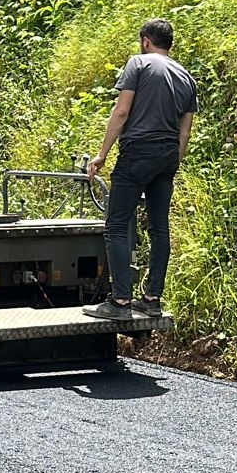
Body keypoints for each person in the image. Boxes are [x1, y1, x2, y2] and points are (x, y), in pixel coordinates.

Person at [82, 18, 197, 321]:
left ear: (146, 40)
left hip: (138, 152)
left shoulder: (139, 63)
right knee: (160, 228)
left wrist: (102, 155)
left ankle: (120, 301)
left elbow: (122, 111)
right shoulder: (186, 77)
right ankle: (152, 300)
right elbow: (185, 131)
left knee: (117, 225)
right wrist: (172, 162)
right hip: (168, 155)